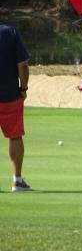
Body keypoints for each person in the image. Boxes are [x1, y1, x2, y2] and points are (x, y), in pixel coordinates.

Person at [0, 22, 32, 191]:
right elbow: (23, 65)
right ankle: (17, 181)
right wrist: (23, 88)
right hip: (10, 96)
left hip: (10, 96)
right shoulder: (10, 32)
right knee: (15, 136)